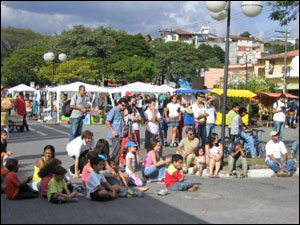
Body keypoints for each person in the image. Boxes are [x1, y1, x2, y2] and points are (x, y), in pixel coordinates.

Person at [105, 98, 128, 162]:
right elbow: (107, 121)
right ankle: (112, 164)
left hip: (120, 134)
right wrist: (112, 131)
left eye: (125, 106)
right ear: (119, 104)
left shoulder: (121, 111)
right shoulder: (114, 110)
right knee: (116, 150)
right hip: (114, 134)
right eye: (123, 105)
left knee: (119, 150)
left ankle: (114, 164)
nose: (124, 107)